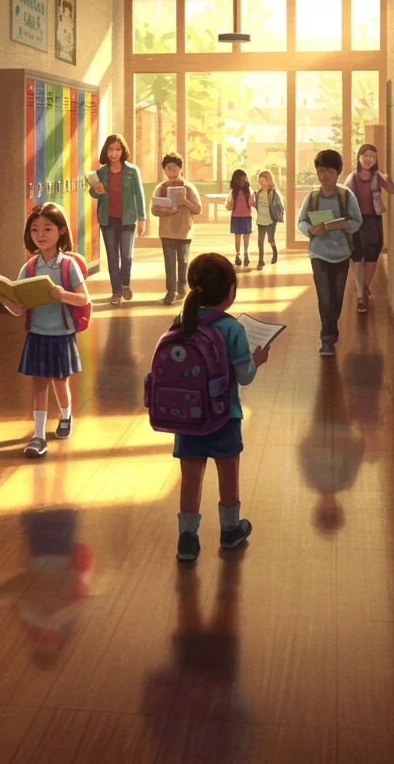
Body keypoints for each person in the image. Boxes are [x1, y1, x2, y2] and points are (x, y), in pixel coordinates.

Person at [171, 253, 270, 561]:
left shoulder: (180, 321)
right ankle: (229, 530)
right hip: (224, 416)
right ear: (231, 292)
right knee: (228, 474)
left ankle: (187, 539)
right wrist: (257, 360)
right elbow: (245, 377)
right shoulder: (231, 329)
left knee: (190, 478)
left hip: (186, 416)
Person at [0, 203, 91, 459]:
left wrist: (63, 295)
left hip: (61, 334)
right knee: (39, 384)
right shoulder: (29, 268)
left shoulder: (68, 265)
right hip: (37, 333)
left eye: (47, 229)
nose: (40, 235)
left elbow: (83, 298)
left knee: (60, 382)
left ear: (61, 231)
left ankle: (66, 415)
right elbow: (20, 308)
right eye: (35, 229)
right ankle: (38, 435)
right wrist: (7, 301)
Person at [297, 150, 363, 356]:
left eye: (329, 172)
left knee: (337, 297)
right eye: (321, 171)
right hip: (318, 254)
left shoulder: (346, 196)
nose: (324, 176)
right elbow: (301, 222)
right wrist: (311, 230)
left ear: (338, 173)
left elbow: (356, 221)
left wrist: (332, 226)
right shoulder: (312, 197)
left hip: (341, 254)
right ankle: (327, 339)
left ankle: (330, 331)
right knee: (324, 297)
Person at [88, 134, 146, 306]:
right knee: (113, 258)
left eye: (117, 149)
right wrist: (96, 189)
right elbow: (93, 193)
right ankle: (116, 291)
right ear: (106, 152)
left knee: (127, 256)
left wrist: (142, 218)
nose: (114, 153)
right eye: (111, 150)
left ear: (123, 151)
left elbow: (139, 195)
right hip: (108, 221)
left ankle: (125, 284)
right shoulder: (101, 172)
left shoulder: (132, 171)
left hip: (128, 220)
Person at [344, 143, 394, 313]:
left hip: (373, 219)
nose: (368, 159)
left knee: (372, 257)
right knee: (357, 256)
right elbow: (345, 200)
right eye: (365, 155)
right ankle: (360, 294)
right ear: (359, 157)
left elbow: (392, 190)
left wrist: (385, 176)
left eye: (372, 156)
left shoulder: (377, 176)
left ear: (376, 159)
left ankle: (365, 287)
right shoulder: (352, 178)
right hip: (356, 221)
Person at [151, 152, 202, 305]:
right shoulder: (161, 188)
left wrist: (184, 201)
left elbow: (198, 209)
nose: (171, 170)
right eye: (168, 167)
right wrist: (167, 210)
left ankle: (182, 287)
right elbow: (154, 209)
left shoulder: (189, 187)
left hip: (184, 231)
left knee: (183, 261)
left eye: (174, 167)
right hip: (166, 232)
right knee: (169, 262)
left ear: (181, 168)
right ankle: (171, 291)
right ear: (164, 169)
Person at [254, 169, 283, 270]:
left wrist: (279, 214)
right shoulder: (258, 193)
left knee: (270, 239)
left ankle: (275, 252)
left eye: (264, 181)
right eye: (260, 181)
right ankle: (260, 261)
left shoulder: (273, 193)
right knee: (260, 241)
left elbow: (280, 205)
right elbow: (256, 205)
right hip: (260, 220)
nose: (262, 183)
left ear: (269, 180)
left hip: (271, 220)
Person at [226, 170, 254, 267]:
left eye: (243, 179)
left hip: (246, 216)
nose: (241, 181)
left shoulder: (249, 191)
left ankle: (246, 253)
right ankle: (238, 254)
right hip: (236, 216)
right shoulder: (233, 192)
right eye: (239, 179)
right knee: (237, 237)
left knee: (246, 236)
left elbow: (252, 202)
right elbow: (229, 204)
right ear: (235, 180)